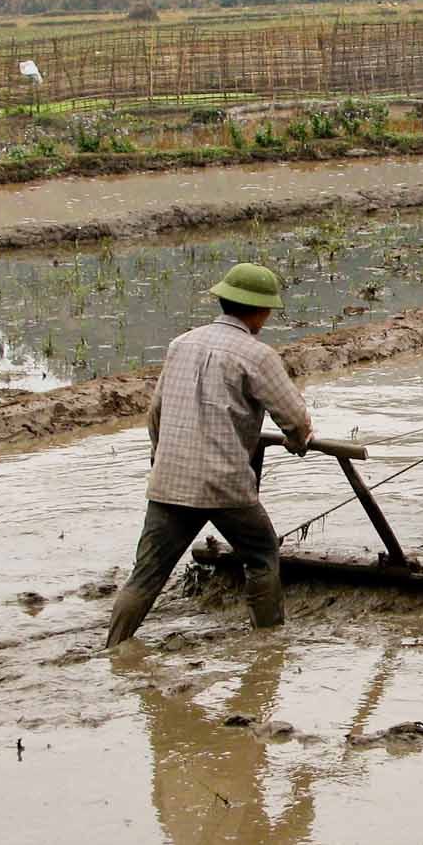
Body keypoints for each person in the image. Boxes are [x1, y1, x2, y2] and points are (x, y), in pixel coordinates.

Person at [106, 263, 313, 648]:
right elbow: (295, 418)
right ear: (261, 311)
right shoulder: (258, 355)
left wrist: (161, 460)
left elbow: (156, 415)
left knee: (145, 575)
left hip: (169, 483)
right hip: (224, 484)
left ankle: (114, 648)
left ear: (223, 301)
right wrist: (298, 442)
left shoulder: (180, 344)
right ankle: (268, 645)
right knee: (263, 553)